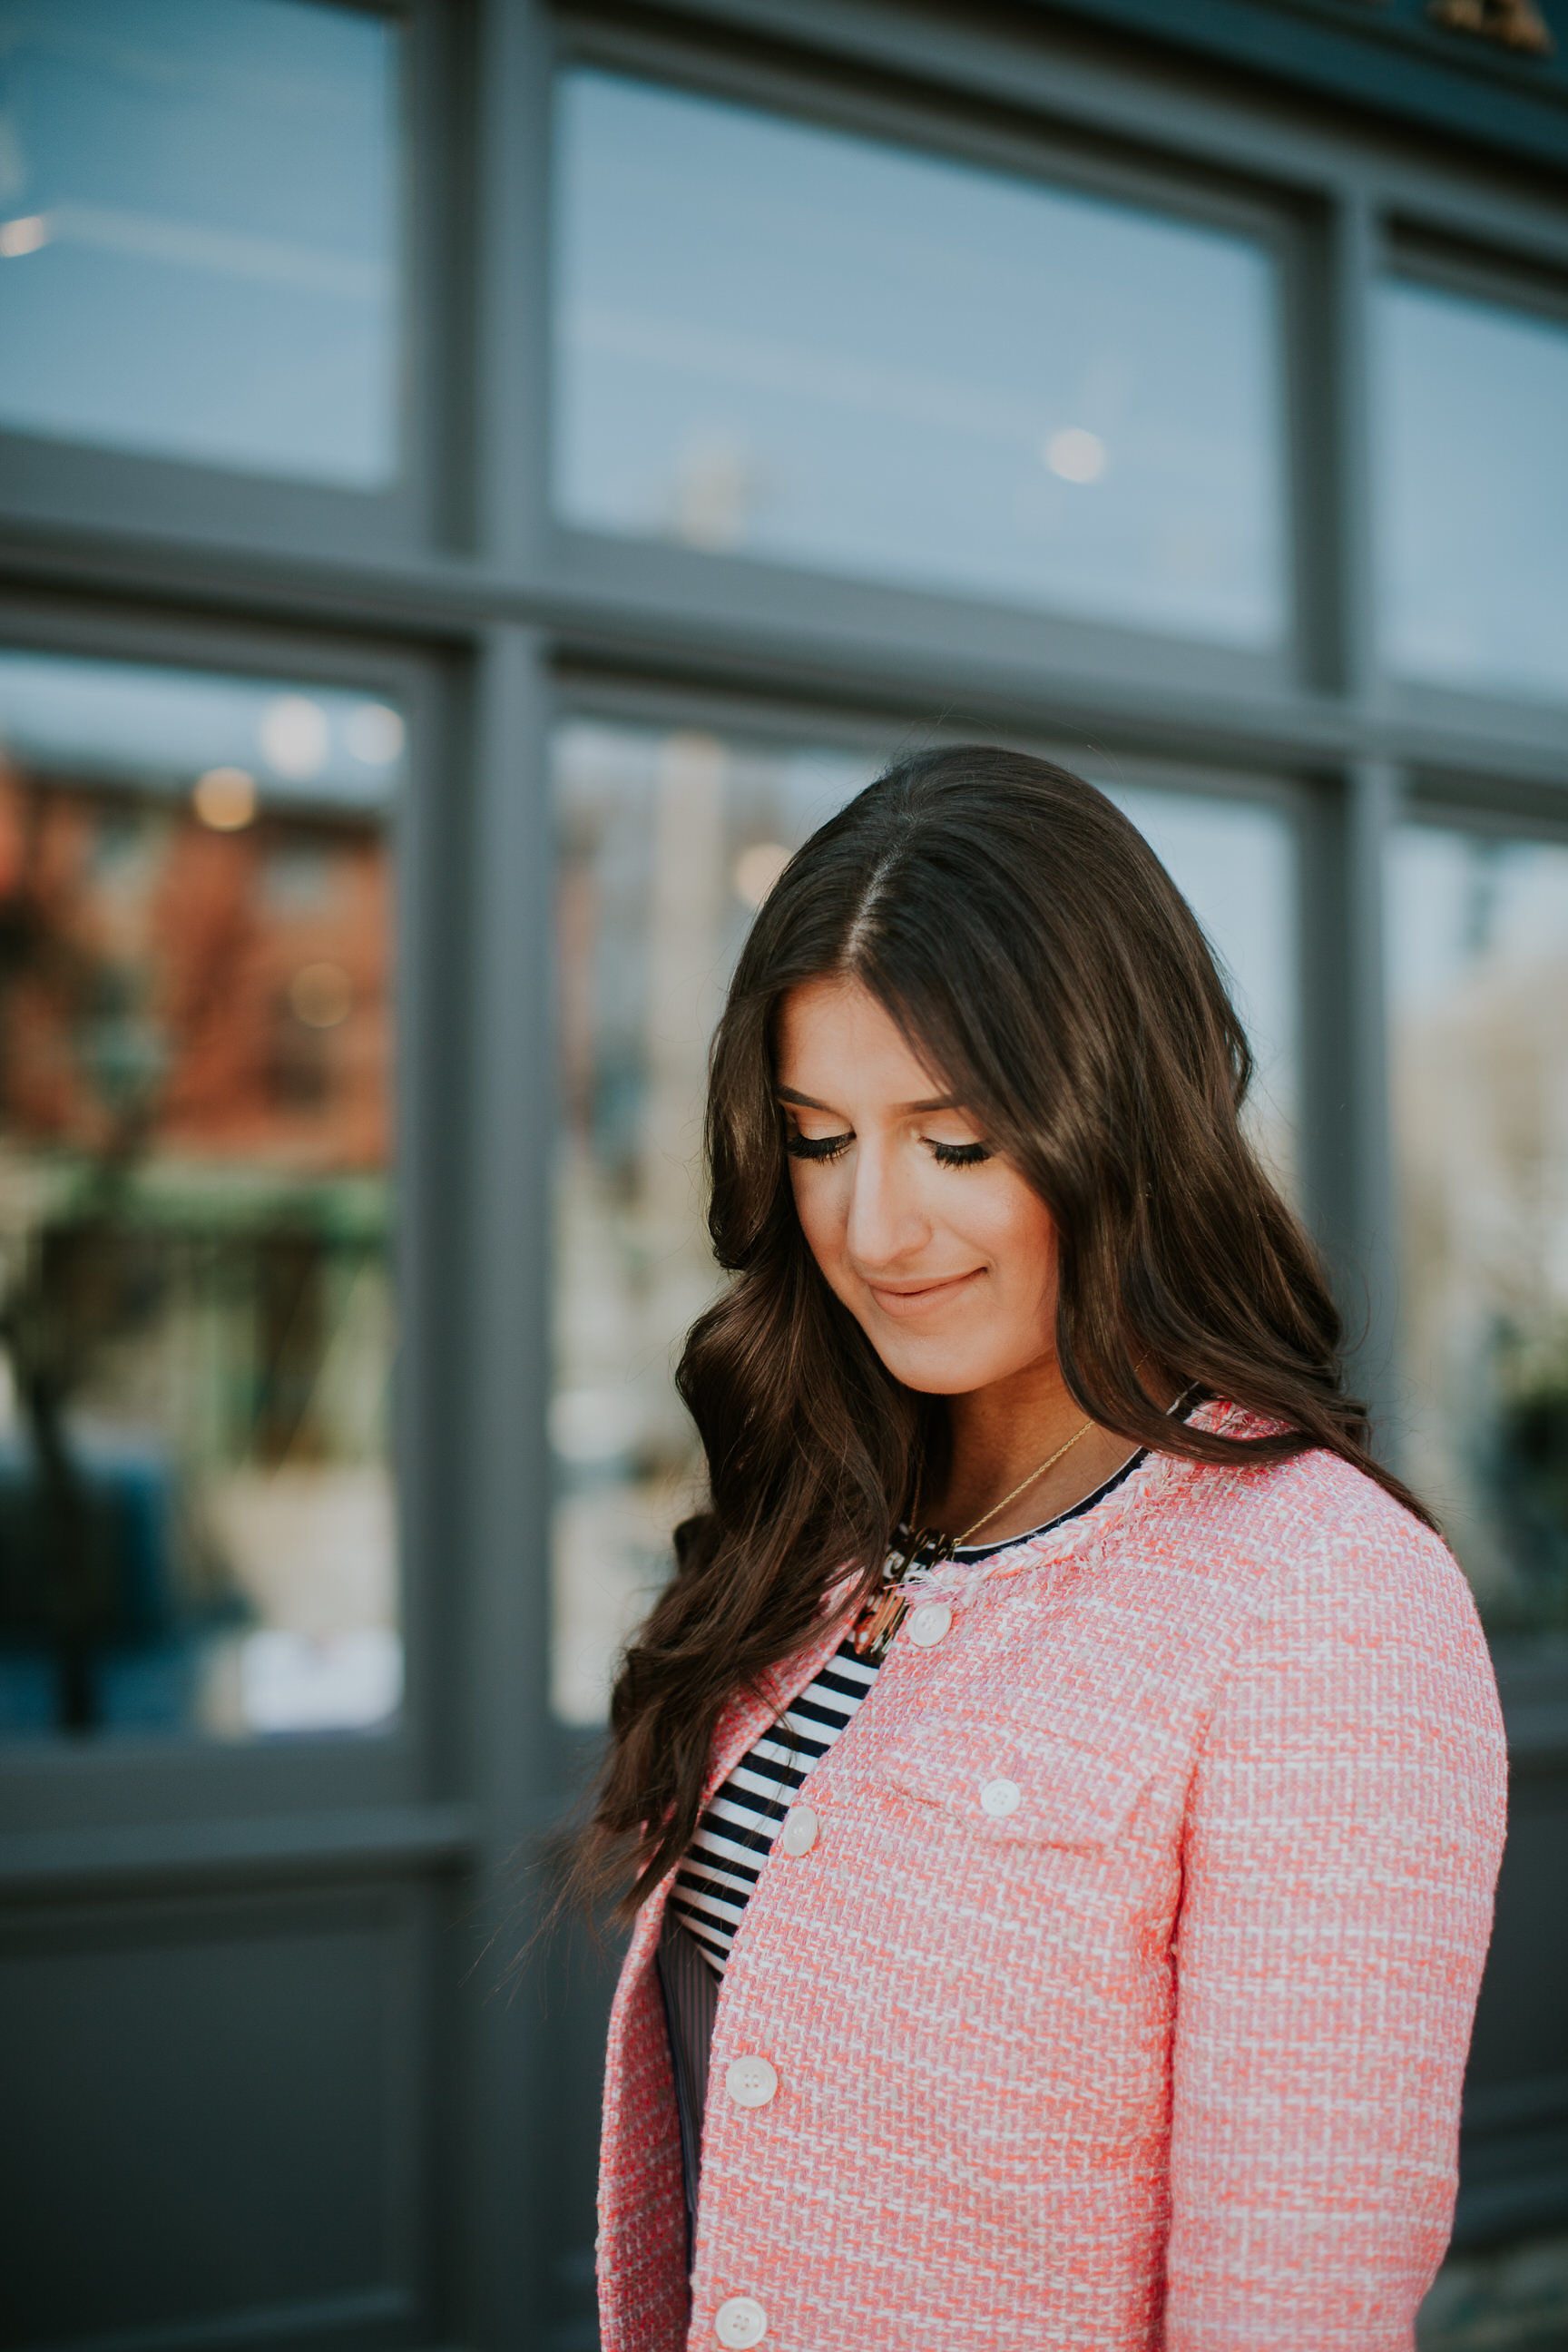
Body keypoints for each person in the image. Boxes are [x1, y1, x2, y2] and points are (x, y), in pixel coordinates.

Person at [584, 745, 1506, 2352]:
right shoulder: (832, 1525)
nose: (874, 1227)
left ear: (1117, 1124)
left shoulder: (1324, 1601)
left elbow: (1292, 2302)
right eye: (818, 1139)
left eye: (953, 1144)